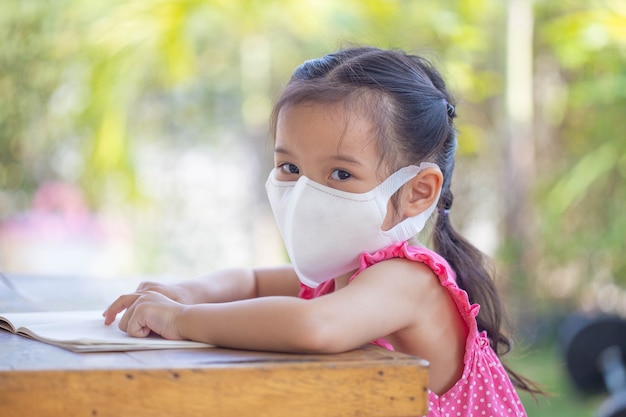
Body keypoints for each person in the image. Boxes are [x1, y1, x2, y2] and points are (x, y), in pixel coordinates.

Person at [104, 46, 539, 416]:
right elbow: (251, 281)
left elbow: (316, 327)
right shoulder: (347, 273)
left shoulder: (408, 281)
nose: (305, 194)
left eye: (340, 174)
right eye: (290, 168)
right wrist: (186, 292)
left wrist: (180, 319)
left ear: (417, 191)